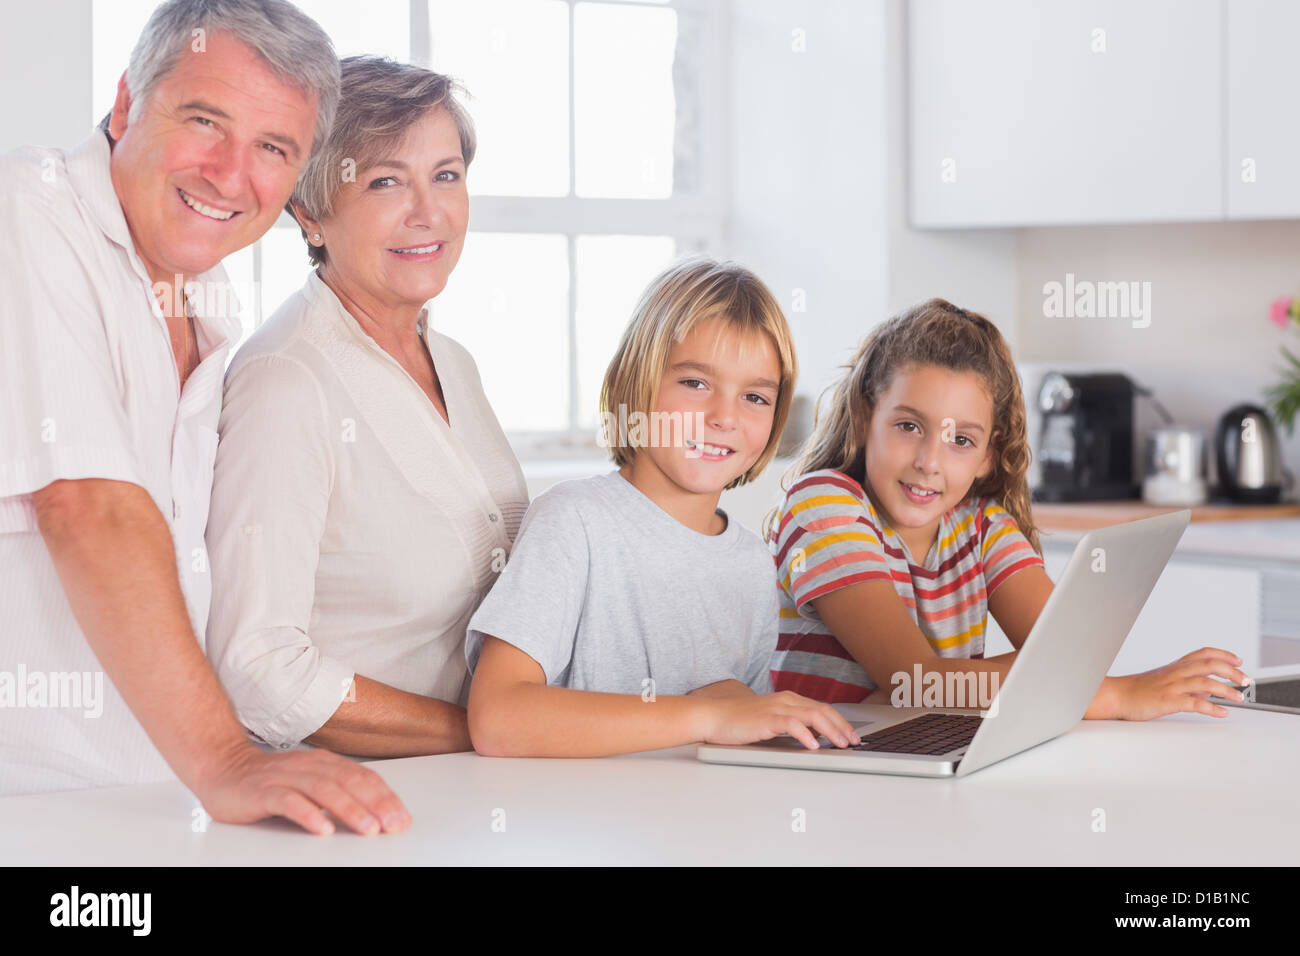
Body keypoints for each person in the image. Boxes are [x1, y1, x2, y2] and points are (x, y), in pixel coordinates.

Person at [0, 0, 409, 836]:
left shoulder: (210, 302)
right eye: (204, 120)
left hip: (156, 806)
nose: (231, 174)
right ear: (125, 105)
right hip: (32, 811)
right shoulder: (26, 209)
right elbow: (88, 504)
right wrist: (228, 761)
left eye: (273, 149)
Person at [206, 56, 528, 758]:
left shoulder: (454, 363)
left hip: (471, 793)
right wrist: (486, 732)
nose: (430, 211)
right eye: (386, 181)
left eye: (446, 175)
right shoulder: (285, 381)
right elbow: (259, 668)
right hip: (349, 801)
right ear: (309, 212)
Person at [766, 297, 1250, 718]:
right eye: (909, 426)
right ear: (865, 416)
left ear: (987, 457)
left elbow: (1074, 655)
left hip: (914, 766)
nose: (929, 462)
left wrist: (944, 688)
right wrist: (1118, 696)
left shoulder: (981, 527)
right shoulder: (825, 505)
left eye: (961, 439)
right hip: (827, 777)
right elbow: (914, 683)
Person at [465, 257, 860, 757]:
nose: (724, 417)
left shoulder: (753, 564)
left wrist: (736, 704)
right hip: (583, 822)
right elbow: (497, 719)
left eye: (755, 397)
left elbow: (740, 726)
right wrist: (710, 712)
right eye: (696, 383)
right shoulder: (574, 521)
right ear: (636, 382)